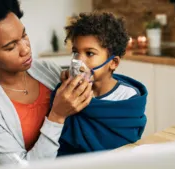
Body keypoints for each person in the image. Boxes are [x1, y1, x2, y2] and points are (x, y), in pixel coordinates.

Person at [0, 0, 93, 165]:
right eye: (10, 47)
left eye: (24, 35)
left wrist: (83, 86)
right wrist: (57, 116)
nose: (26, 49)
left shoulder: (47, 69)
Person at [52, 12, 148, 156]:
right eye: (75, 52)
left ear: (113, 63)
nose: (79, 61)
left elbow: (125, 147)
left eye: (89, 53)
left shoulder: (128, 98)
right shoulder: (67, 92)